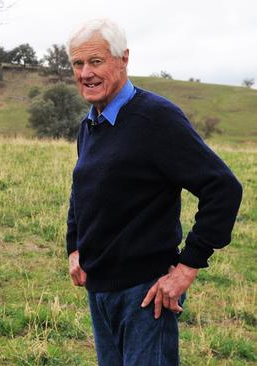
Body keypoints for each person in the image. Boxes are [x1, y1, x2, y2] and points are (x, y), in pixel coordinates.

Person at [65, 19, 242, 365]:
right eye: (78, 63)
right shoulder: (91, 123)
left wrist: (187, 267)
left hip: (146, 294)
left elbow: (223, 188)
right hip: (100, 289)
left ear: (123, 59)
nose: (86, 73)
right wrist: (74, 246)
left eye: (96, 61)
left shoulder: (156, 118)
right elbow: (82, 189)